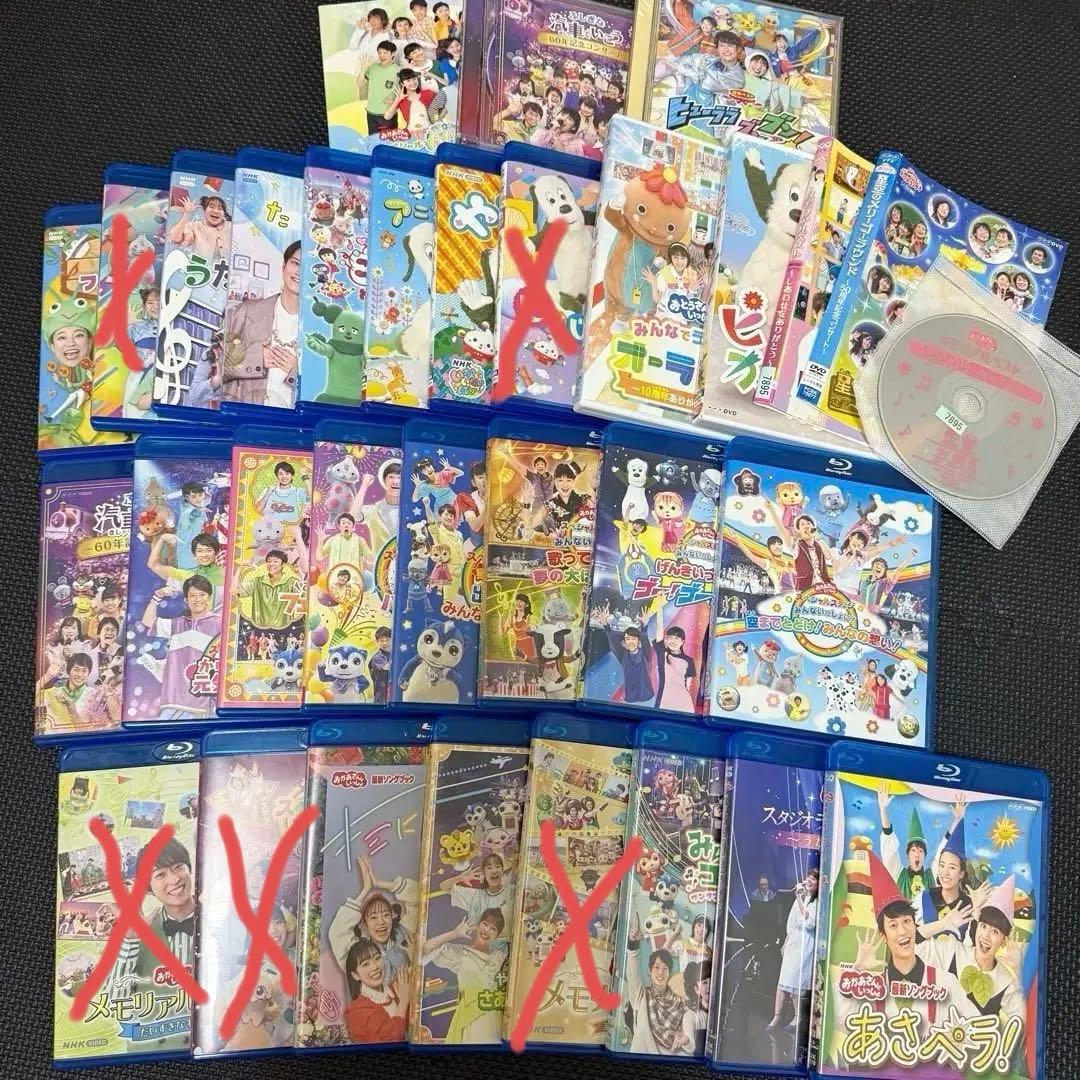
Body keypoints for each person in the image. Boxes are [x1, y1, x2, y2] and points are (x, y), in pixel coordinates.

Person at [222, 241, 302, 408]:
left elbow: (332, 387)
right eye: (295, 263)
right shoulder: (245, 312)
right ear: (284, 266)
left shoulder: (324, 330)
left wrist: (298, 371)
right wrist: (255, 358)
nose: (300, 272)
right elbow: (212, 362)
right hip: (246, 418)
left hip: (294, 422)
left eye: (307, 268)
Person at [421, 910, 508, 1043]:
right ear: (478, 925)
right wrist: (455, 933)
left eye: (493, 928)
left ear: (497, 935)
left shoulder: (500, 957)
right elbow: (427, 948)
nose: (487, 930)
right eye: (485, 924)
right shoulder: (462, 954)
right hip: (470, 1018)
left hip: (496, 1019)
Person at [141, 575, 220, 717]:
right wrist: (157, 597)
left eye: (202, 594)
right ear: (186, 600)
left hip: (205, 701)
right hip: (173, 701)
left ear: (209, 597)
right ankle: (159, 668)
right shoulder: (178, 624)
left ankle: (159, 668)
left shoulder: (220, 623)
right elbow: (148, 621)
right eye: (193, 596)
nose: (198, 599)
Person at [624, 914, 692, 1054]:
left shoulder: (681, 1002)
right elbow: (633, 970)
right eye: (656, 967)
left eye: (665, 968)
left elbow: (689, 1035)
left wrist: (685, 1039)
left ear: (669, 972)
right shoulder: (641, 996)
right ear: (649, 971)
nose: (660, 972)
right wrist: (632, 943)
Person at [766, 868, 819, 1031]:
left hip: (805, 944)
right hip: (793, 943)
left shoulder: (816, 902)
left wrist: (799, 897)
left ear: (818, 885)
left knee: (796, 981)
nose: (809, 881)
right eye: (808, 877)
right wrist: (785, 943)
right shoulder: (799, 900)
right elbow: (792, 924)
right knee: (783, 981)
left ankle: (797, 1017)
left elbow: (810, 923)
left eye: (813, 879)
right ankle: (777, 1016)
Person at [343, 938, 412, 1043]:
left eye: (377, 958)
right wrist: (403, 1002)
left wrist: (415, 957)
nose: (375, 967)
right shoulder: (356, 1012)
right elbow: (392, 1041)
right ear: (355, 975)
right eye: (365, 964)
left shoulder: (395, 988)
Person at [877, 784, 935, 899]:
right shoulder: (898, 874)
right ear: (908, 855)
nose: (917, 854)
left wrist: (957, 819)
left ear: (925, 855)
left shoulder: (931, 876)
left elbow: (943, 852)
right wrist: (883, 810)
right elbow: (889, 847)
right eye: (913, 850)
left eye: (920, 851)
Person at [443, 853, 516, 935]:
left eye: (498, 866)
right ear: (484, 874)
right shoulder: (476, 895)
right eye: (489, 868)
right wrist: (460, 878)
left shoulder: (513, 891)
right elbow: (444, 887)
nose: (494, 871)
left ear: (502, 871)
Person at [237, 550, 300, 632]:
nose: (271, 564)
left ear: (283, 565)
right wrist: (239, 569)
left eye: (275, 561)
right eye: (269, 561)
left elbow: (306, 598)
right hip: (258, 630)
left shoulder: (292, 582)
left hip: (285, 630)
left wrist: (301, 574)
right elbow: (234, 590)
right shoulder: (257, 581)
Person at [168, 193, 232, 263]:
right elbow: (175, 238)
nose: (215, 211)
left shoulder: (231, 227)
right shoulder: (194, 226)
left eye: (220, 209)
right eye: (212, 207)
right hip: (202, 268)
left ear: (224, 214)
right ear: (205, 210)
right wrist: (188, 213)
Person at [653, 625, 696, 713]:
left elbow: (688, 686)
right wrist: (659, 614)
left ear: (682, 641)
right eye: (670, 637)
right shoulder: (662, 653)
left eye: (676, 638)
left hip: (683, 702)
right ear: (666, 640)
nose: (673, 641)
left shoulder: (689, 660)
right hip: (664, 701)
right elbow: (659, 629)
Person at [361, 40, 400, 132]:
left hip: (388, 114)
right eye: (379, 53)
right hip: (371, 113)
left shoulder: (399, 71)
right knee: (373, 140)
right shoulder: (372, 68)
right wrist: (363, 68)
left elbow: (407, 91)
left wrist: (397, 102)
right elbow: (359, 84)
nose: (382, 55)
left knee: (389, 140)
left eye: (385, 53)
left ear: (393, 53)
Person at [385, 68, 437, 135]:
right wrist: (398, 100)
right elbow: (387, 117)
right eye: (408, 80)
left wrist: (436, 121)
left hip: (429, 133)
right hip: (411, 135)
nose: (412, 82)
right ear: (402, 83)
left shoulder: (428, 93)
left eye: (414, 79)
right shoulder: (401, 100)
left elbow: (443, 106)